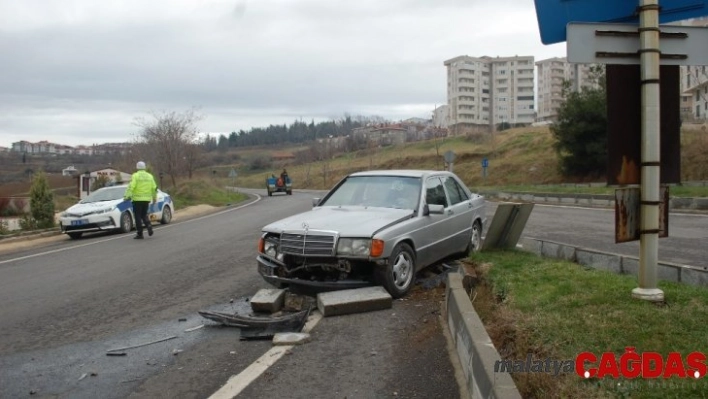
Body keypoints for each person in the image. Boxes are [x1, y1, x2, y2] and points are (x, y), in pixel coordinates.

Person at [124, 161, 158, 239]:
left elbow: (131, 186)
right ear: (144, 167)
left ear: (137, 167)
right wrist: (154, 197)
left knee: (138, 216)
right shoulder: (150, 176)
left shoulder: (135, 176)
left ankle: (140, 233)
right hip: (146, 199)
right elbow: (154, 187)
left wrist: (126, 196)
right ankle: (148, 225)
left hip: (137, 199)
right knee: (144, 214)